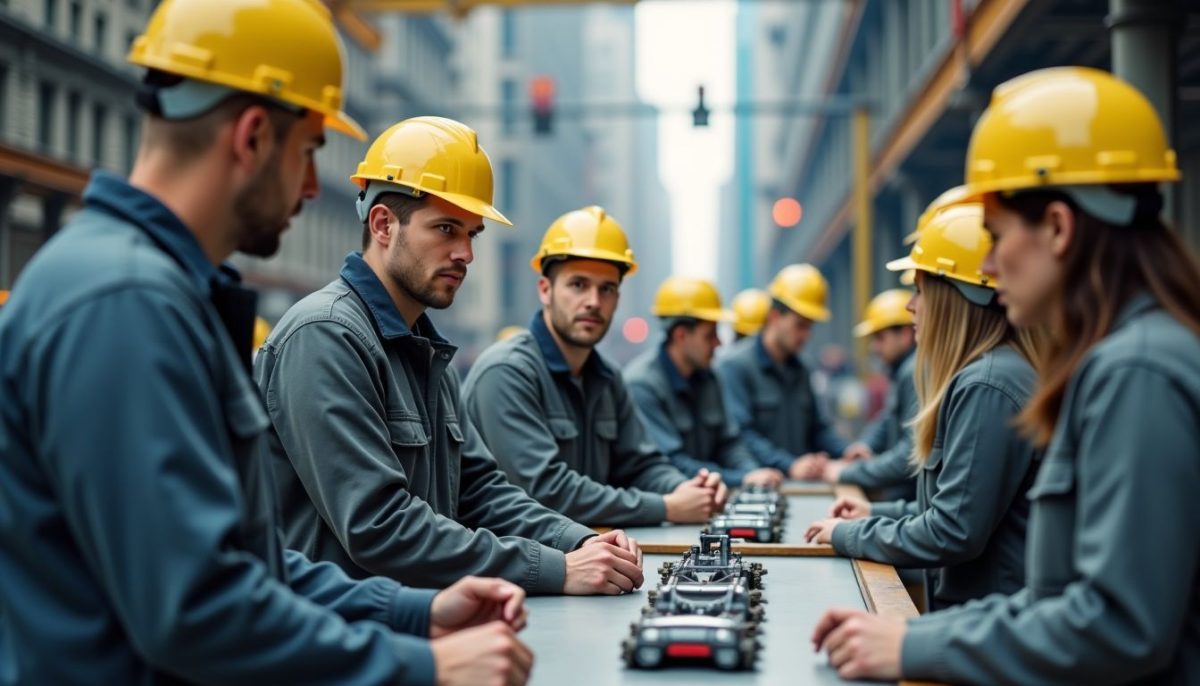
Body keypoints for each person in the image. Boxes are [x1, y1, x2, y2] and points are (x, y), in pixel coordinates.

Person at [0, 2, 530, 684]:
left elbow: (252, 564)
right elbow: (196, 611)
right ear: (252, 136)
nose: (312, 188)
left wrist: (411, 612)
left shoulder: (161, 293)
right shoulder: (125, 302)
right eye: (309, 152)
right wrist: (423, 666)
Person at [812, 66, 1200, 684]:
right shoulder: (1121, 359)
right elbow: (1058, 598)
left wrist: (913, 649)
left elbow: (1118, 624)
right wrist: (912, 632)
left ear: (1058, 227)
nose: (988, 264)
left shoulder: (1136, 372)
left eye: (996, 236)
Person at [256, 118, 643, 596]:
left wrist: (581, 541)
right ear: (382, 224)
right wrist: (556, 569)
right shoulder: (326, 336)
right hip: (336, 645)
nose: (465, 254)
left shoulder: (425, 349)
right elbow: (380, 526)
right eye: (445, 229)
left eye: (472, 234)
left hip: (410, 626)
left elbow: (479, 489)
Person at [805, 202, 1042, 614]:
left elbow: (953, 530)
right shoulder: (983, 376)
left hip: (984, 621)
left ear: (955, 296)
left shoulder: (986, 385)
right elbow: (957, 505)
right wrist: (873, 511)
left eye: (920, 290)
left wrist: (849, 534)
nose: (911, 306)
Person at [462, 207, 725, 526]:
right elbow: (546, 491)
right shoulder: (506, 373)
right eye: (578, 285)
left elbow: (641, 464)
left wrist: (687, 489)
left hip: (590, 554)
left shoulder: (608, 378)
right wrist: (666, 507)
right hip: (514, 567)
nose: (593, 302)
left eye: (607, 289)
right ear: (545, 290)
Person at [625, 276, 785, 488]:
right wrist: (741, 479)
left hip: (708, 496)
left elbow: (728, 443)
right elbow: (671, 463)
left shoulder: (710, 378)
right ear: (681, 335)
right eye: (709, 335)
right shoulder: (642, 385)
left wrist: (752, 472)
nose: (718, 343)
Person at [715, 264, 850, 480]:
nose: (806, 335)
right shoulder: (734, 367)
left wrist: (845, 451)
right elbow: (740, 435)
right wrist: (789, 464)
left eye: (810, 326)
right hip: (755, 490)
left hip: (801, 487)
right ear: (775, 317)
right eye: (800, 325)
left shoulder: (803, 368)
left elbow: (818, 428)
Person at [823, 288, 918, 501]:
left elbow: (910, 454)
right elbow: (888, 417)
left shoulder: (914, 371)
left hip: (909, 502)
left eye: (880, 338)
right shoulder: (902, 371)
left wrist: (848, 472)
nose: (874, 347)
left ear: (904, 335)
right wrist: (865, 445)